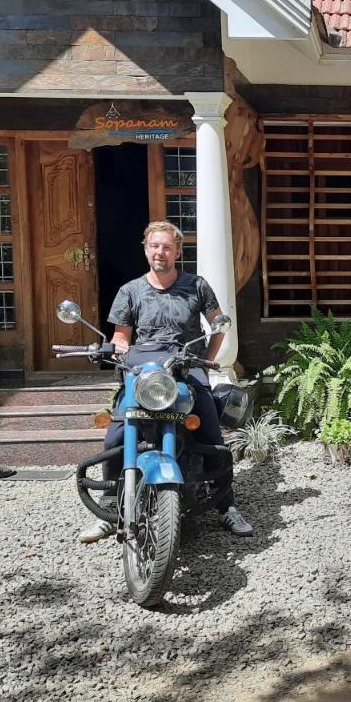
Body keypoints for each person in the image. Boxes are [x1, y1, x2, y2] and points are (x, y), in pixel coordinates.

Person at [77, 220, 253, 543]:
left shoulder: (196, 285)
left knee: (211, 430)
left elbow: (219, 324)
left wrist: (208, 361)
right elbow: (121, 338)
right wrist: (112, 350)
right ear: (146, 250)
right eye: (155, 246)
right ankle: (111, 505)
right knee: (115, 436)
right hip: (143, 370)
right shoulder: (129, 291)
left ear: (177, 251)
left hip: (185, 366)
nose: (161, 252)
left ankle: (226, 505)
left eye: (167, 246)